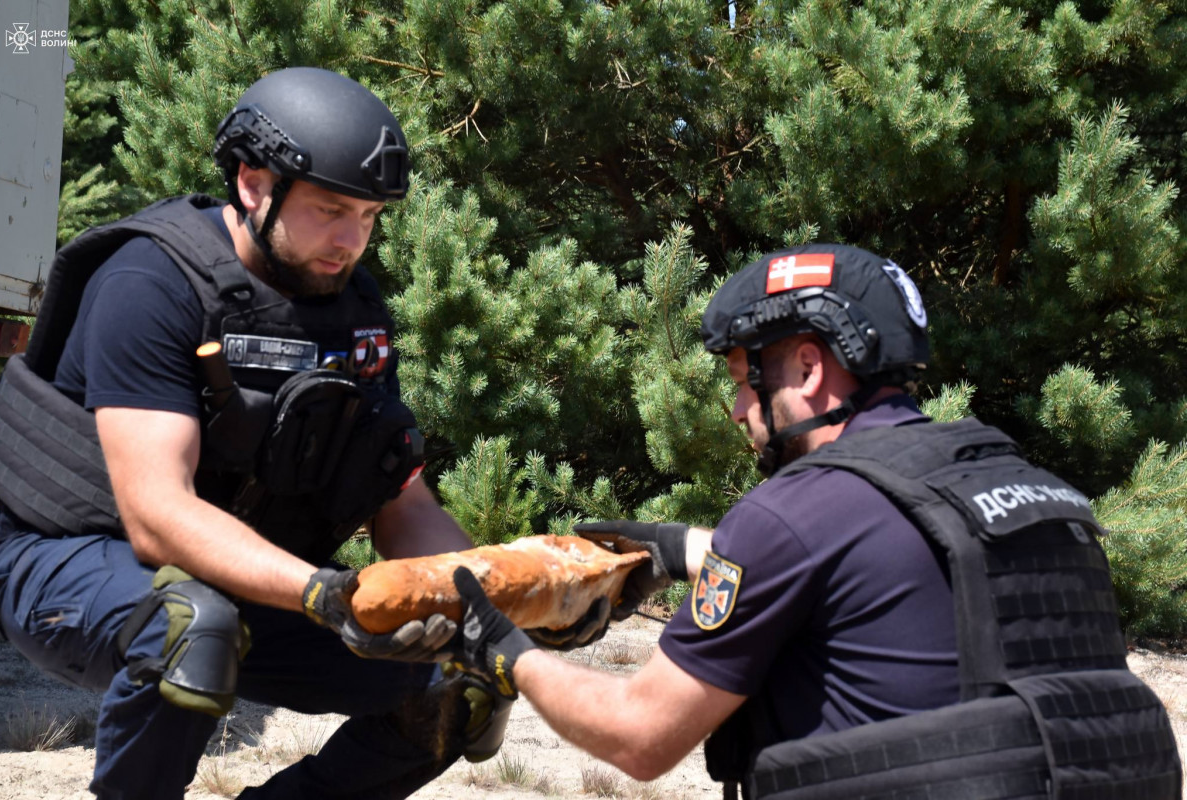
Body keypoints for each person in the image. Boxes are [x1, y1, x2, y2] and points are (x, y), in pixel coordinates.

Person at [0, 66, 604, 800]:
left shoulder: (354, 313)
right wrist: (327, 594)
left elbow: (404, 508)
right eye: (330, 210)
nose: (350, 241)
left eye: (370, 217)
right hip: (72, 564)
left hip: (251, 583)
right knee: (191, 628)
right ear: (253, 183)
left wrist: (498, 598)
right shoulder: (151, 282)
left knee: (461, 678)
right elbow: (156, 517)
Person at [446, 244, 1182, 799]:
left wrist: (508, 655)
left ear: (804, 368)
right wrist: (679, 550)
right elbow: (887, 581)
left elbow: (640, 737)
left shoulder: (790, 513)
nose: (737, 410)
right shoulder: (1027, 490)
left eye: (743, 381)